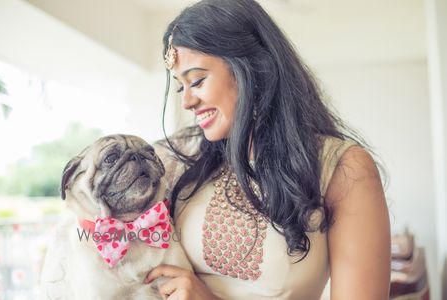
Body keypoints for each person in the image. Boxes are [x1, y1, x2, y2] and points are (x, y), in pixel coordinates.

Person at [145, 0, 391, 299]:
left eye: (197, 80)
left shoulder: (341, 168)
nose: (187, 102)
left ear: (253, 67)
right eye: (181, 87)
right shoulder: (180, 157)